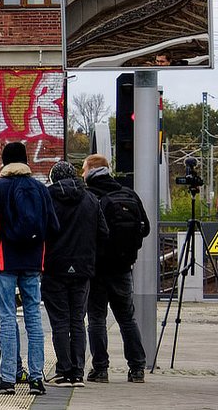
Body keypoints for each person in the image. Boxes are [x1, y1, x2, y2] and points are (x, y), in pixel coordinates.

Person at [0, 142, 59, 395]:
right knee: (34, 317)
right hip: (34, 262)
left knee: (7, 316)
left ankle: (7, 379)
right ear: (25, 160)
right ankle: (36, 378)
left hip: (4, 261)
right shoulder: (39, 188)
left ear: (4, 162)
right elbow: (54, 226)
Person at [82, 153, 150, 384]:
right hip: (123, 267)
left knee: (97, 319)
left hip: (97, 269)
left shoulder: (90, 195)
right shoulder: (128, 193)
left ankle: (100, 369)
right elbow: (146, 228)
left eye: (84, 169)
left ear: (91, 169)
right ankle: (137, 368)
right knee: (127, 319)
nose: (82, 174)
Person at [43, 161, 107, 387]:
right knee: (78, 320)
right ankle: (78, 372)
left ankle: (63, 371)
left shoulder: (47, 196)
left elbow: (41, 230)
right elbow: (103, 232)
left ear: (53, 178)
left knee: (60, 321)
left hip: (54, 268)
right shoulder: (91, 199)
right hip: (83, 269)